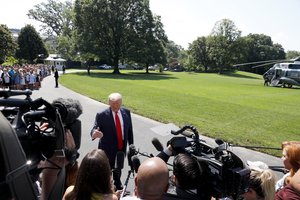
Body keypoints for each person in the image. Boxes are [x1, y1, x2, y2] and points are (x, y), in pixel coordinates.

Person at [90, 92, 134, 190]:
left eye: (118, 103)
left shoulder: (126, 112)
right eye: (113, 103)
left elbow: (130, 131)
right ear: (109, 103)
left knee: (119, 166)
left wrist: (131, 146)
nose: (116, 106)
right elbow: (95, 128)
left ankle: (117, 182)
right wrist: (94, 134)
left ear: (121, 102)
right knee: (107, 168)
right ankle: (106, 185)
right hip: (107, 148)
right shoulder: (102, 115)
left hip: (121, 146)